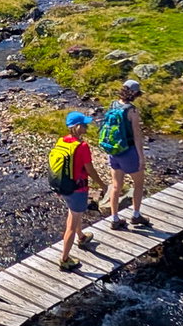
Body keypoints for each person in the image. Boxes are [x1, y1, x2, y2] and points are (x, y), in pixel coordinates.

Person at [98, 80, 150, 230]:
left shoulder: (113, 104)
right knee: (138, 184)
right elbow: (137, 135)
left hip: (114, 152)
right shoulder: (132, 110)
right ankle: (136, 215)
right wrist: (141, 157)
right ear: (135, 94)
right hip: (128, 152)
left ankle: (115, 219)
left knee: (116, 186)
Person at [49, 110, 96, 271]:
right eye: (84, 125)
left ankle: (81, 236)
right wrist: (103, 185)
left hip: (64, 187)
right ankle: (64, 259)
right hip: (78, 189)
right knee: (71, 223)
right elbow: (90, 170)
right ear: (77, 127)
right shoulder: (82, 146)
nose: (87, 127)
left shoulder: (62, 141)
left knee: (73, 212)